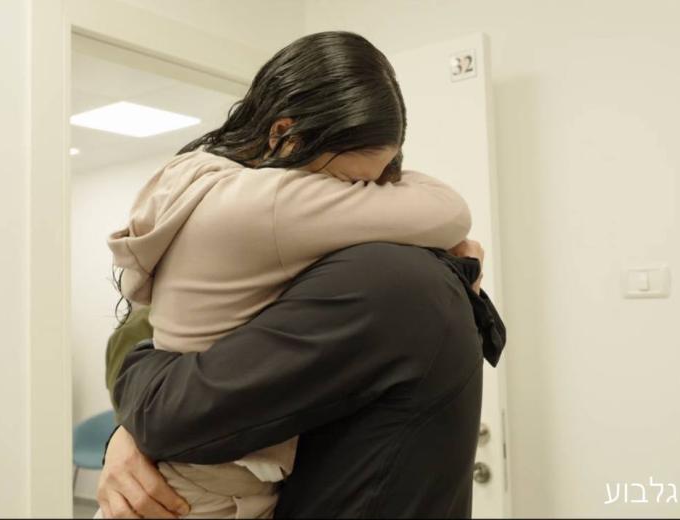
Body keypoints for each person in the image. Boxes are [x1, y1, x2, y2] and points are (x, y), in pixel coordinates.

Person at [101, 30, 477, 519]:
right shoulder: (271, 204)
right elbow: (448, 211)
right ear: (283, 136)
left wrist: (127, 430)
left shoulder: (195, 180)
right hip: (214, 491)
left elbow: (142, 344)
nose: (364, 194)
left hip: (186, 471)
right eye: (353, 183)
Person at [100, 241, 505, 518]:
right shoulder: (418, 279)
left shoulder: (383, 284)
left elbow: (169, 412)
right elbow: (173, 406)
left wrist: (135, 431)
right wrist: (126, 435)